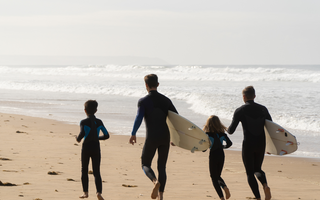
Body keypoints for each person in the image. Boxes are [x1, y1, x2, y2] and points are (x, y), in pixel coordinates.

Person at [129, 74, 178, 200]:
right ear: (158, 84)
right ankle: (161, 196)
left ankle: (154, 181)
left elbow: (139, 118)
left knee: (145, 164)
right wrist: (175, 137)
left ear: (146, 85)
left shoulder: (143, 101)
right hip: (165, 137)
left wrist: (133, 133)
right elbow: (176, 119)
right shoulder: (166, 100)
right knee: (162, 166)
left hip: (151, 137)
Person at [227, 86, 272, 200]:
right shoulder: (263, 109)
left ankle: (258, 197)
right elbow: (271, 127)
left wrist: (225, 128)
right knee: (258, 169)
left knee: (250, 173)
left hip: (248, 144)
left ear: (244, 97)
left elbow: (231, 131)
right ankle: (265, 185)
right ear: (254, 96)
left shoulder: (240, 110)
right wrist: (272, 146)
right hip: (261, 144)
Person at [76, 100, 110, 200]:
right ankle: (99, 192)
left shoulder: (83, 122)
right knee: (96, 172)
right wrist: (97, 137)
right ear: (96, 110)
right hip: (96, 148)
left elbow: (82, 133)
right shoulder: (99, 122)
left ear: (85, 110)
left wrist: (77, 139)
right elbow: (107, 135)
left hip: (86, 148)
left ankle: (85, 193)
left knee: (84, 170)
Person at [203, 115, 232, 200]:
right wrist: (223, 147)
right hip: (221, 155)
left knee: (213, 177)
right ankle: (224, 187)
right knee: (218, 175)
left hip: (213, 155)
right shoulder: (222, 134)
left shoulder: (207, 135)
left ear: (208, 124)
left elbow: (204, 149)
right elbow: (229, 143)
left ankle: (222, 197)